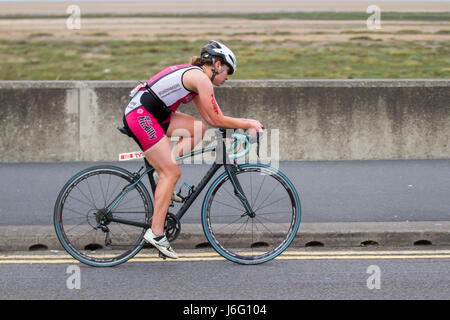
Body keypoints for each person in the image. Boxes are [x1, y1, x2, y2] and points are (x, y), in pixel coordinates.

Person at [123, 40, 263, 259]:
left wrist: (236, 126)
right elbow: (218, 119)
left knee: (197, 128)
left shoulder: (198, 79)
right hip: (142, 116)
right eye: (228, 71)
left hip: (155, 115)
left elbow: (209, 119)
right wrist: (249, 123)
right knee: (171, 173)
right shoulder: (199, 79)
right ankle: (156, 233)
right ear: (217, 64)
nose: (227, 77)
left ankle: (164, 179)